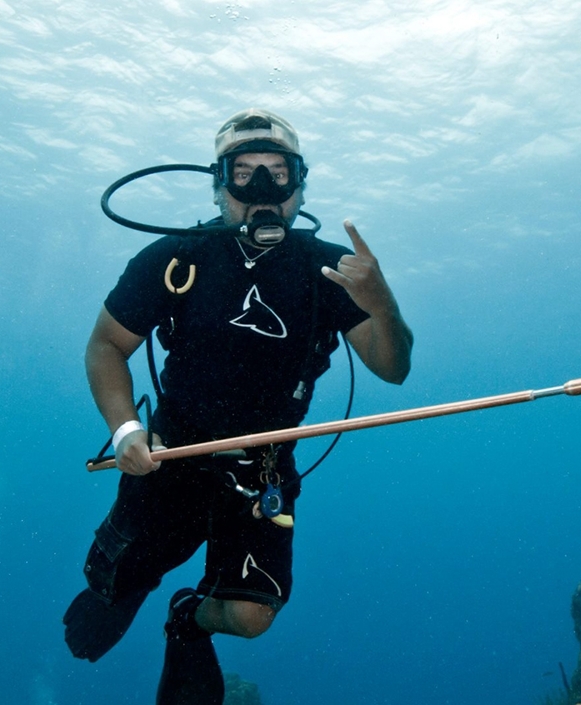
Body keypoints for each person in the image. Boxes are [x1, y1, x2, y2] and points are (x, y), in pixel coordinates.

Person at [63, 108, 413, 704]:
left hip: (264, 466)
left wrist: (382, 302)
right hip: (171, 453)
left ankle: (188, 618)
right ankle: (133, 583)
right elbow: (106, 347)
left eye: (277, 175)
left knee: (251, 617)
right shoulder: (175, 261)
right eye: (243, 174)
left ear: (300, 185)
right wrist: (126, 430)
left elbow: (393, 367)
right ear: (218, 185)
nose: (261, 193)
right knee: (113, 580)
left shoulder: (331, 270)